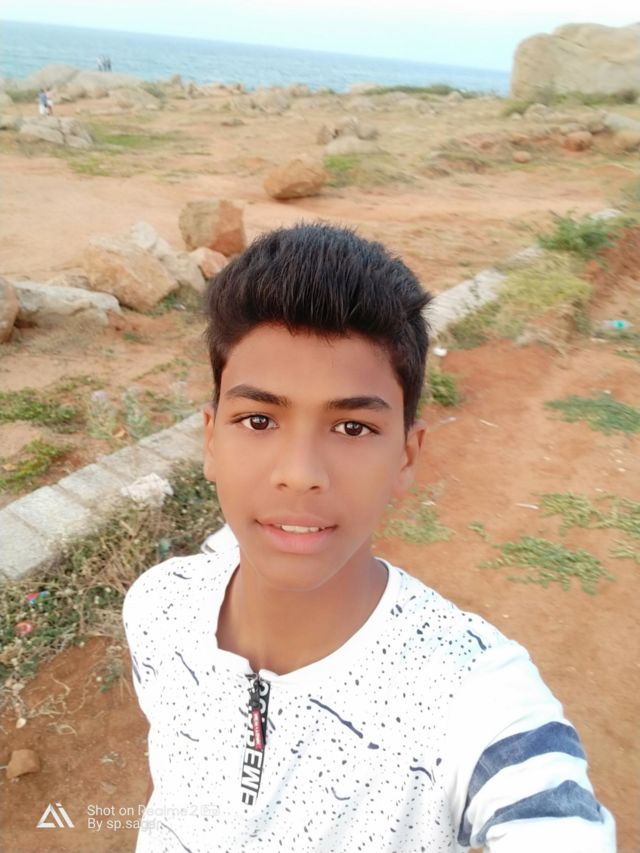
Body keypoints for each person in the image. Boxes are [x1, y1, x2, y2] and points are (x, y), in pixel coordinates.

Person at [122, 223, 616, 852]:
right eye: (259, 419)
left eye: (352, 428)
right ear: (211, 439)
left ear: (406, 456)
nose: (300, 473)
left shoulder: (472, 697)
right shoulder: (158, 607)